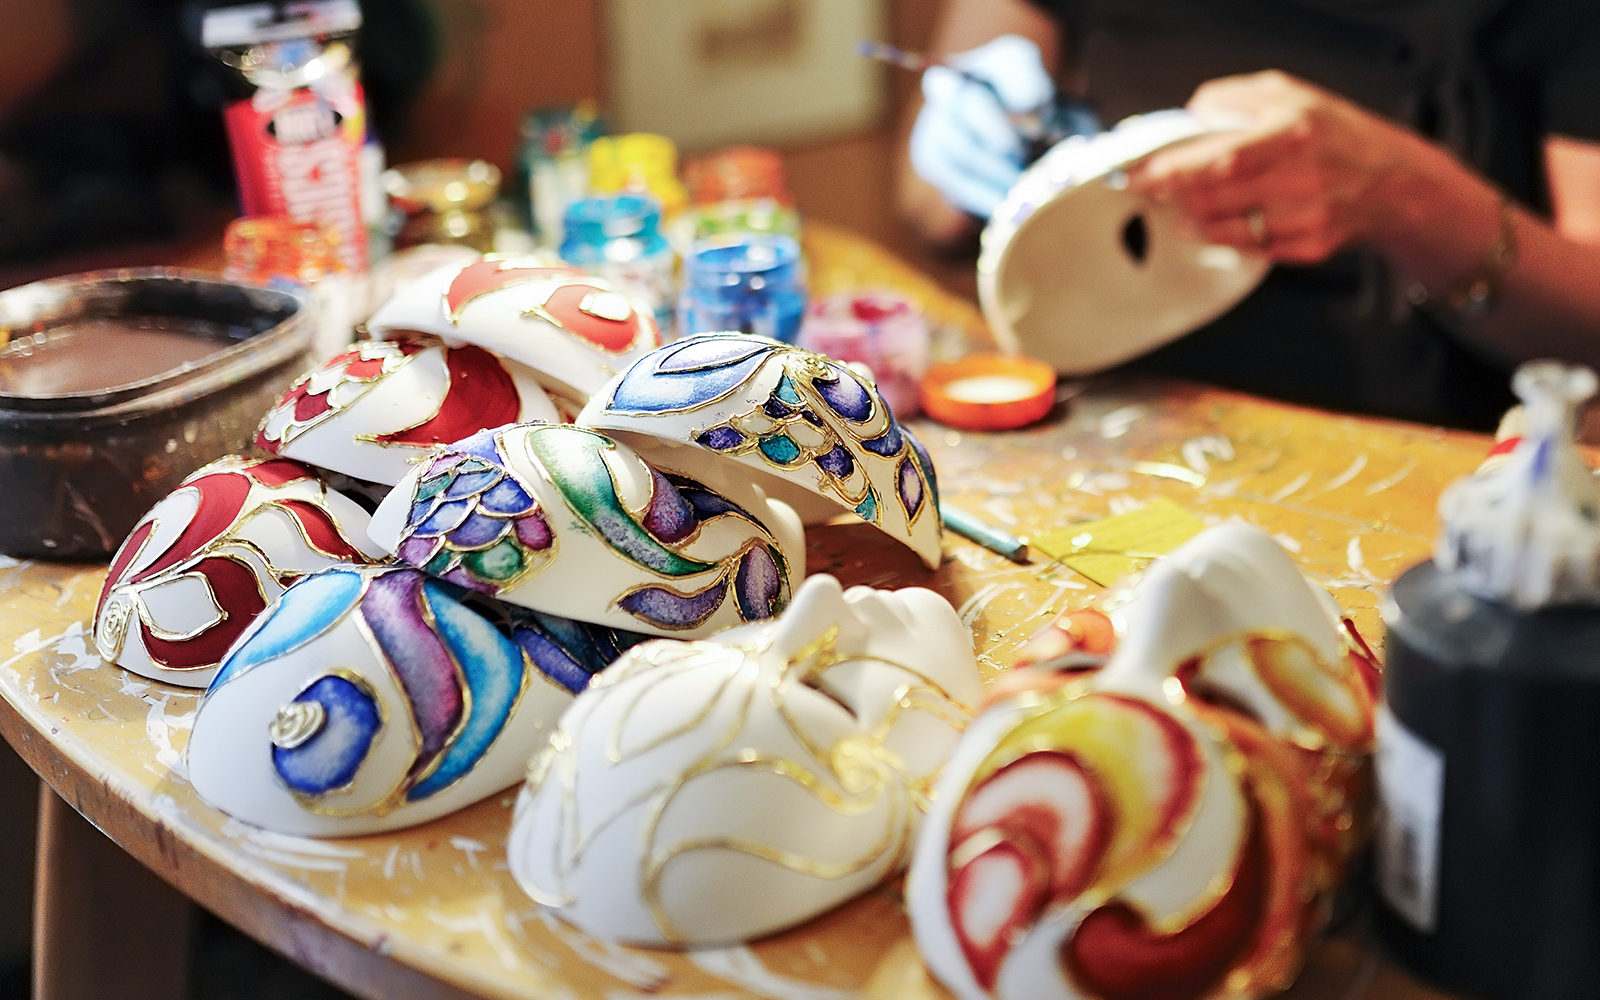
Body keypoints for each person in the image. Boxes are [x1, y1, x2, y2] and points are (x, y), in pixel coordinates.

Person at [897, 0, 1600, 428]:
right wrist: (964, 137)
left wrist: (1407, 196)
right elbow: (925, 208)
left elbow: (1589, 323)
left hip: (1412, 447)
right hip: (1113, 414)